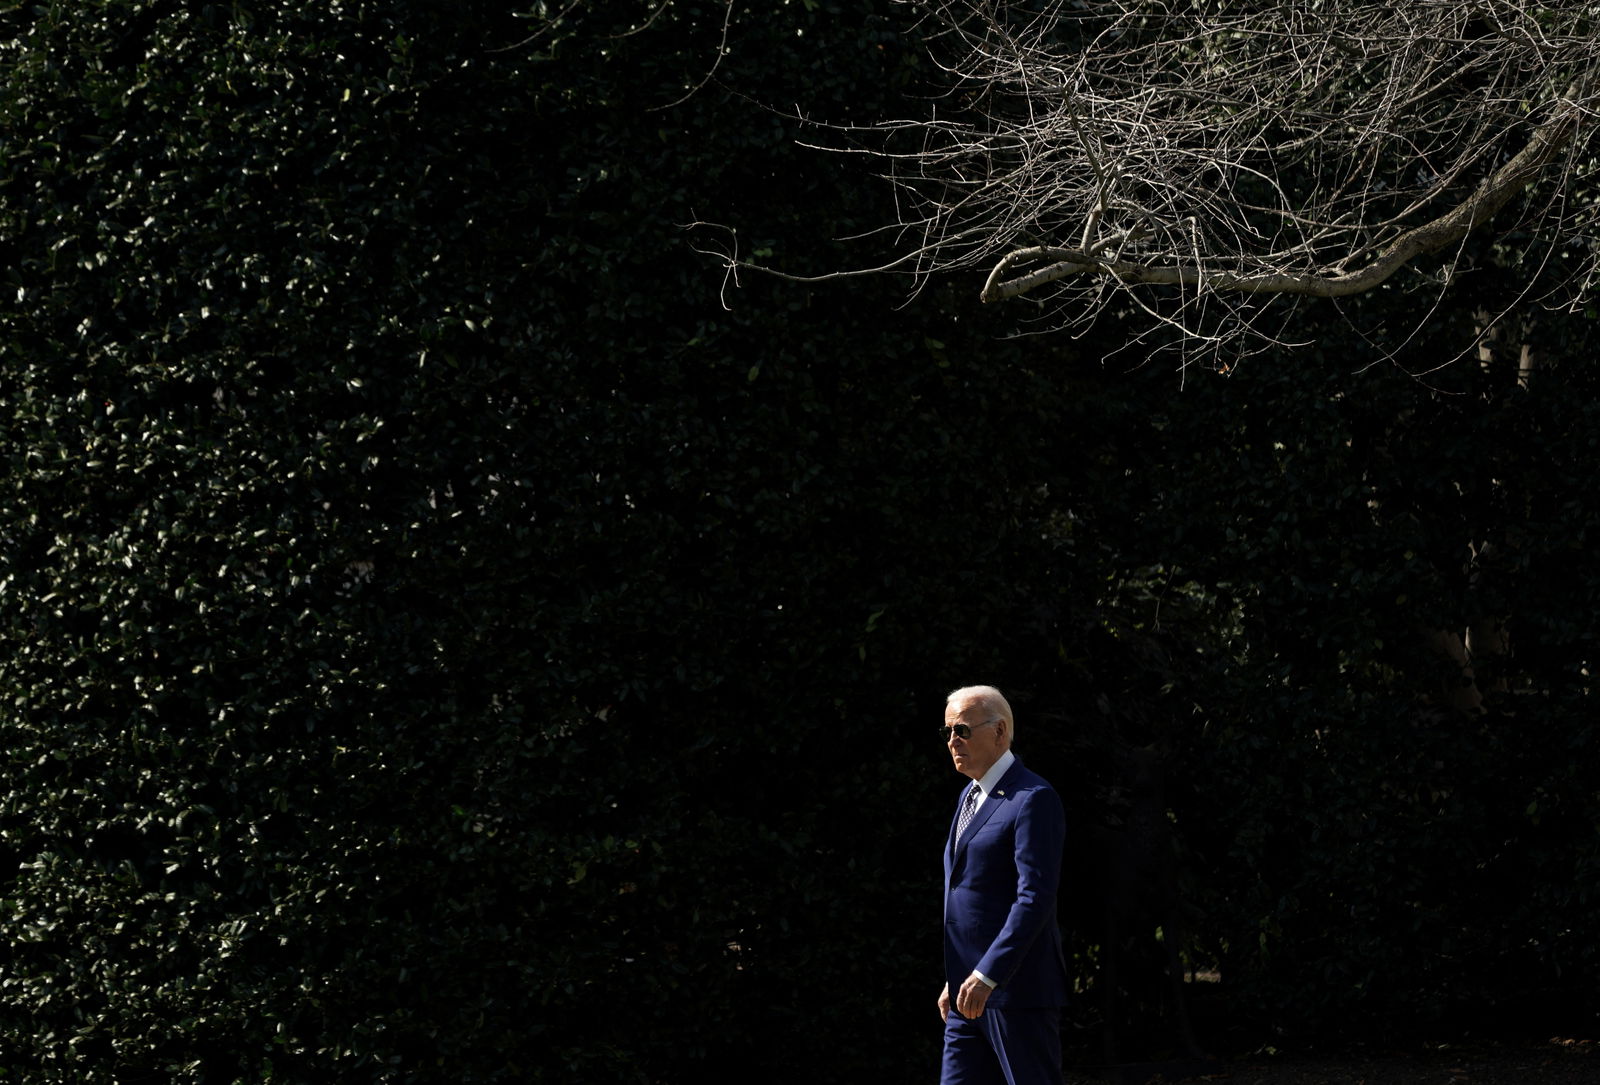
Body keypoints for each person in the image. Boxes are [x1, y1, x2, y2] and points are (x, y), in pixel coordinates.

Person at [938, 685, 1069, 1085]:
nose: (952, 742)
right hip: (966, 992)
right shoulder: (968, 796)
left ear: (1000, 731)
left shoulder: (1033, 798)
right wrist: (957, 975)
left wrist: (988, 974)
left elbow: (1034, 897)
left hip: (1016, 992)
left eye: (962, 729)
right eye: (947, 732)